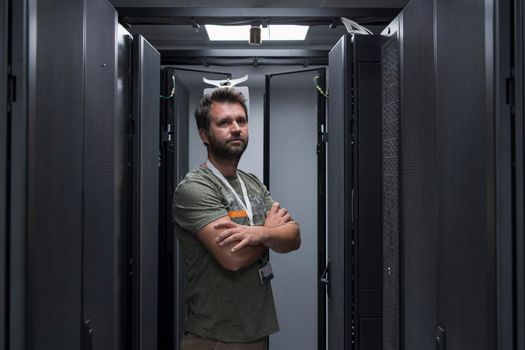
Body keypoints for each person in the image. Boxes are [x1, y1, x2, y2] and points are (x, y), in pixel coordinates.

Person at [172, 87, 301, 350]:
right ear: (204, 135)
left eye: (241, 121)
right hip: (215, 337)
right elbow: (232, 257)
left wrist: (260, 234)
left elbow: (294, 237)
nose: (236, 128)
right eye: (224, 122)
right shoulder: (196, 188)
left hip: (255, 329)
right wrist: (270, 232)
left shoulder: (252, 183)